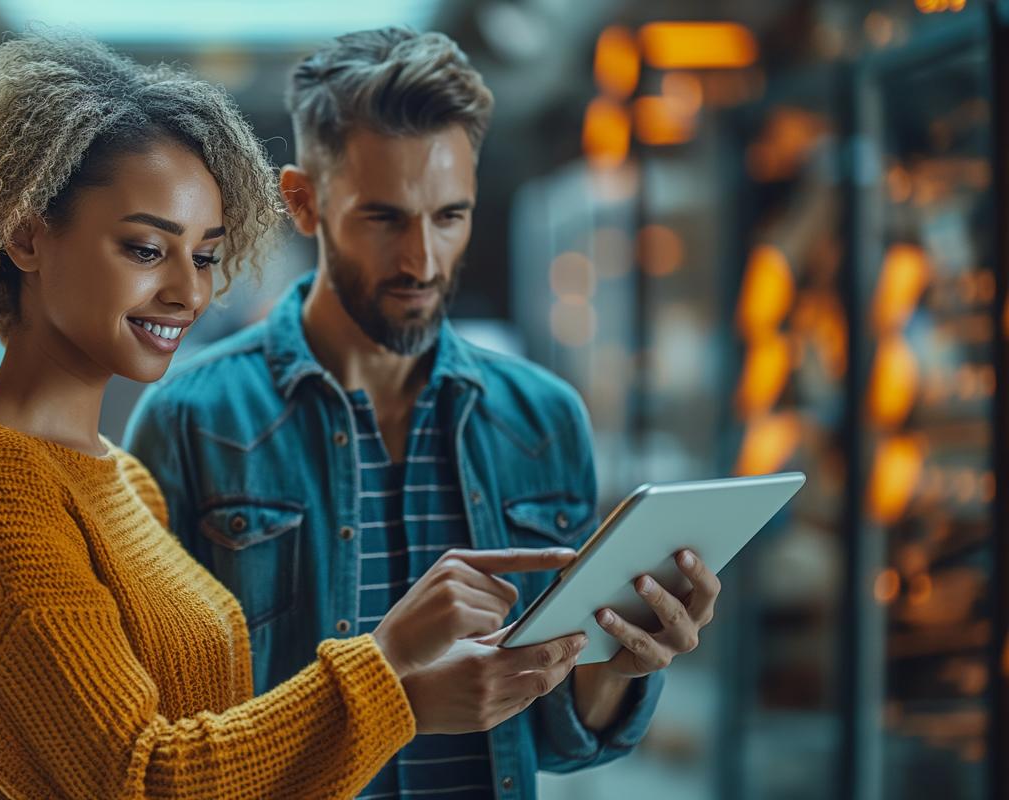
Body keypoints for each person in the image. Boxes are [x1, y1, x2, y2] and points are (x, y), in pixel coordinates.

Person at [0, 29, 594, 800]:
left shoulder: (123, 480)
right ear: (28, 235)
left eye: (204, 255)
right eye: (145, 249)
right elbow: (138, 780)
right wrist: (390, 680)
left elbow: (215, 747)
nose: (189, 293)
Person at [125, 27, 723, 800]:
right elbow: (162, 748)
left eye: (449, 216)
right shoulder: (188, 420)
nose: (424, 261)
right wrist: (391, 702)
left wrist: (624, 664)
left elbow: (553, 739)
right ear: (304, 204)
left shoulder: (544, 419)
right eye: (384, 219)